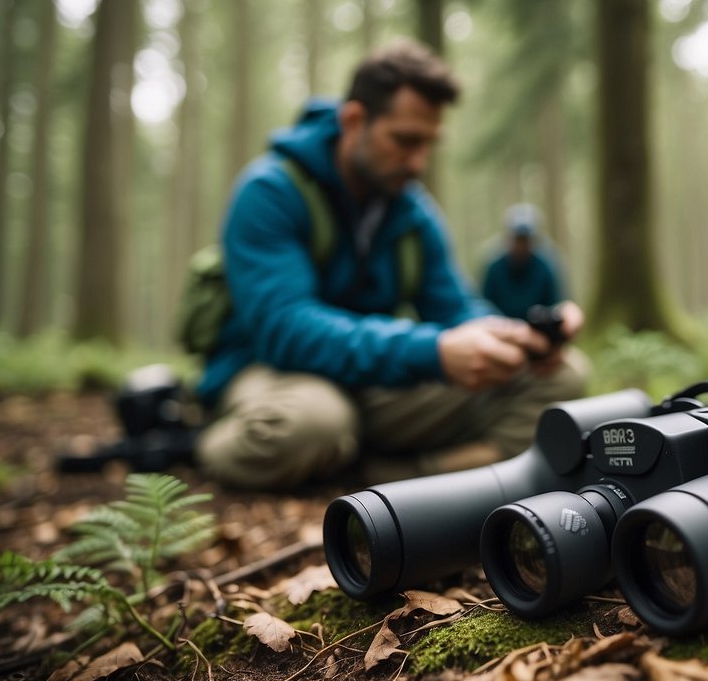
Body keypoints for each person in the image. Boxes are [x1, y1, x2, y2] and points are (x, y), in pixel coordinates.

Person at [195, 40, 589, 489]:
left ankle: (395, 478)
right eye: (405, 141)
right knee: (314, 424)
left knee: (562, 378)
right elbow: (286, 331)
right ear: (354, 121)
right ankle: (210, 440)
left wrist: (517, 338)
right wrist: (433, 353)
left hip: (372, 377)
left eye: (428, 144)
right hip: (276, 371)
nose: (418, 162)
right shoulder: (269, 192)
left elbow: (456, 309)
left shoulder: (412, 211)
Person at [480, 203, 567, 321]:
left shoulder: (546, 265)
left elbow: (556, 303)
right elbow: (484, 305)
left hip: (537, 331)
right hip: (502, 330)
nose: (521, 246)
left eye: (525, 240)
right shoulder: (494, 266)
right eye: (518, 239)